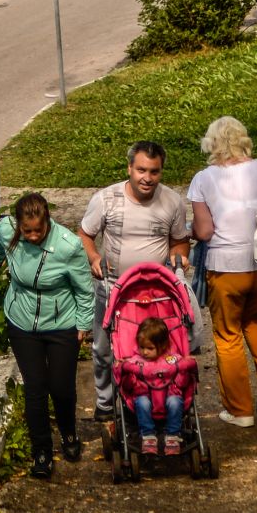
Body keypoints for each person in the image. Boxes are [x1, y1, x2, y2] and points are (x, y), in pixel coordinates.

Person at [187, 115, 257, 427]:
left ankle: (240, 411)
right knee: (256, 315)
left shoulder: (203, 179)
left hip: (226, 268)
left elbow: (205, 232)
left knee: (227, 334)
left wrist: (189, 231)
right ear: (243, 139)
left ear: (211, 144)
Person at [0, 192, 95, 478]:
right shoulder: (7, 229)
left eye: (38, 230)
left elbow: (84, 290)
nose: (32, 236)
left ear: (48, 222)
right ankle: (41, 451)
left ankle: (69, 434)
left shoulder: (69, 246)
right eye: (27, 230)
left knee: (60, 386)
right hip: (21, 320)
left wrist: (83, 324)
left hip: (61, 322)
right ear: (18, 224)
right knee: (35, 388)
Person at [78, 140, 192, 423]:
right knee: (104, 348)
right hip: (113, 285)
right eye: (141, 170)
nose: (147, 178)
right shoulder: (106, 199)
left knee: (159, 348)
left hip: (155, 289)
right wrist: (93, 257)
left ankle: (158, 398)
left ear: (161, 172)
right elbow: (85, 234)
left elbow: (179, 241)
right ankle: (105, 401)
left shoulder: (172, 201)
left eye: (154, 172)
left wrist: (180, 258)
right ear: (129, 167)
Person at [117, 317, 196, 456]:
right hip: (145, 398)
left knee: (175, 401)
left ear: (163, 346)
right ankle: (148, 436)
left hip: (168, 397)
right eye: (142, 347)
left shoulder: (172, 359)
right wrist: (128, 372)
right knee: (142, 402)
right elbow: (127, 386)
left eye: (150, 348)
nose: (145, 352)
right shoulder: (136, 361)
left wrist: (183, 370)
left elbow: (183, 383)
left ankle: (172, 436)